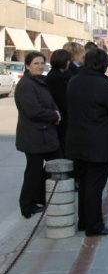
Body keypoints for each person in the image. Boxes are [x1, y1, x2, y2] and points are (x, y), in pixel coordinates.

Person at [67, 48, 108, 236]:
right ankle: (94, 225)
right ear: (104, 64)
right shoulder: (105, 85)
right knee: (95, 186)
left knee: (85, 183)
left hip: (77, 141)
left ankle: (85, 221)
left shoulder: (74, 80)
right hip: (99, 143)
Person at [15, 52, 61, 219]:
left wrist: (56, 112)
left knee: (57, 163)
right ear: (27, 65)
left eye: (42, 63)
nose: (40, 66)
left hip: (45, 134)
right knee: (33, 171)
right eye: (36, 63)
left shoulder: (40, 81)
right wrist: (54, 116)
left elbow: (50, 103)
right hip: (33, 135)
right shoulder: (26, 85)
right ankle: (27, 206)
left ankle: (41, 196)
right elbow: (33, 111)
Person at [46, 49, 72, 157]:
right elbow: (62, 101)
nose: (69, 63)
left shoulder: (61, 75)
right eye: (68, 60)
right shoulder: (55, 77)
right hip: (61, 118)